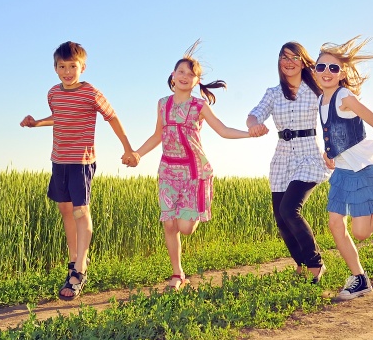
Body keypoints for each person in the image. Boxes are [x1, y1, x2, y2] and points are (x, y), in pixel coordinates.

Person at [129, 41, 254, 290]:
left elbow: (223, 130)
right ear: (173, 76)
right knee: (169, 223)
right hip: (167, 170)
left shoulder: (199, 106)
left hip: (195, 172)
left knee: (185, 228)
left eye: (191, 74)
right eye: (181, 72)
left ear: (197, 81)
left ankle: (200, 204)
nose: (185, 76)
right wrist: (138, 154)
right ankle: (177, 275)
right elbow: (157, 135)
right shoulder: (162, 103)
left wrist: (250, 134)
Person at [20, 41, 138, 301]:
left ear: (82, 67)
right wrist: (36, 123)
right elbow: (59, 117)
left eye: (72, 66)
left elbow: (113, 117)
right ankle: (73, 261)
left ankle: (80, 269)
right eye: (62, 66)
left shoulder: (90, 93)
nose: (67, 71)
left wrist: (129, 149)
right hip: (58, 160)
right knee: (65, 210)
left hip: (82, 162)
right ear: (55, 68)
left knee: (80, 211)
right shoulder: (53, 93)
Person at [315, 36, 373, 300]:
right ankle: (359, 279)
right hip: (344, 172)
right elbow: (331, 132)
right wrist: (329, 153)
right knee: (335, 224)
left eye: (333, 68)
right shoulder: (320, 102)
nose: (326, 72)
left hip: (366, 167)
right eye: (321, 67)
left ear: (341, 73)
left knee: (361, 232)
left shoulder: (345, 96)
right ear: (314, 71)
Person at [246, 42, 331, 284]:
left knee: (290, 210)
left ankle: (315, 264)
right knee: (280, 218)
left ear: (304, 62)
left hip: (309, 156)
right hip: (282, 158)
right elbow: (255, 113)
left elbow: (332, 118)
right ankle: (301, 264)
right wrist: (253, 124)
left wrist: (332, 148)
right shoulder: (273, 93)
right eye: (284, 57)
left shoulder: (316, 90)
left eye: (295, 57)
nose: (289, 61)